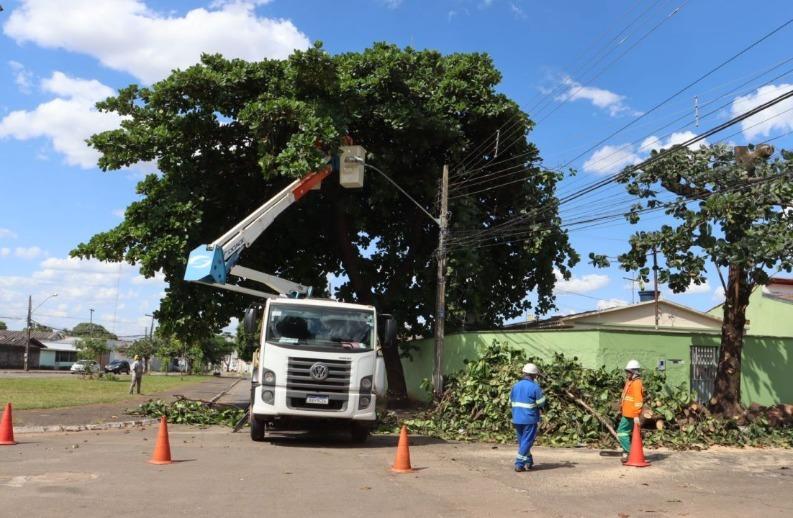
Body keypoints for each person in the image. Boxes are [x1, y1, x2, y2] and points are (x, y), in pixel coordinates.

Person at [510, 363, 546, 472]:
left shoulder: (515, 386)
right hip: (529, 419)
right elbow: (541, 403)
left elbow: (510, 401)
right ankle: (519, 463)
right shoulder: (535, 387)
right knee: (527, 441)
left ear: (524, 373)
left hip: (516, 418)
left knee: (523, 441)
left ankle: (528, 461)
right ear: (534, 375)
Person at [618, 359, 644, 463]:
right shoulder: (630, 382)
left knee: (621, 432)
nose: (627, 373)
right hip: (627, 413)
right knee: (626, 433)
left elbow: (638, 400)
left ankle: (630, 452)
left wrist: (636, 414)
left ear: (634, 372)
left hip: (631, 414)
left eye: (628, 371)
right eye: (627, 371)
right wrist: (621, 408)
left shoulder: (636, 383)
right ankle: (627, 453)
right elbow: (625, 397)